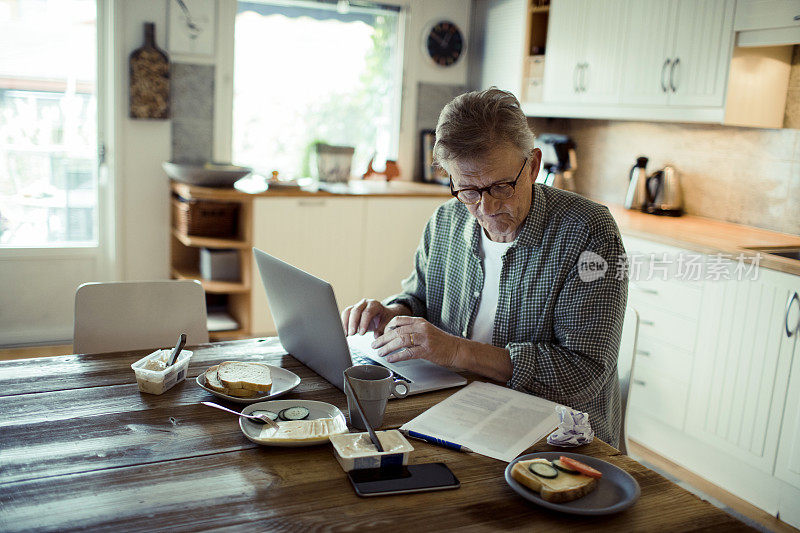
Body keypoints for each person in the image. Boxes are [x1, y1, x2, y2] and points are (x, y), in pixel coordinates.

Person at [341, 88, 628, 447]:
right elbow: (419, 298)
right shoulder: (445, 221)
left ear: (534, 166)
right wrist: (393, 315)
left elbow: (584, 373)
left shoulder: (589, 232)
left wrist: (456, 351)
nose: (486, 208)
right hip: (460, 412)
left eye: (500, 187)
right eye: (468, 191)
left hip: (559, 437)